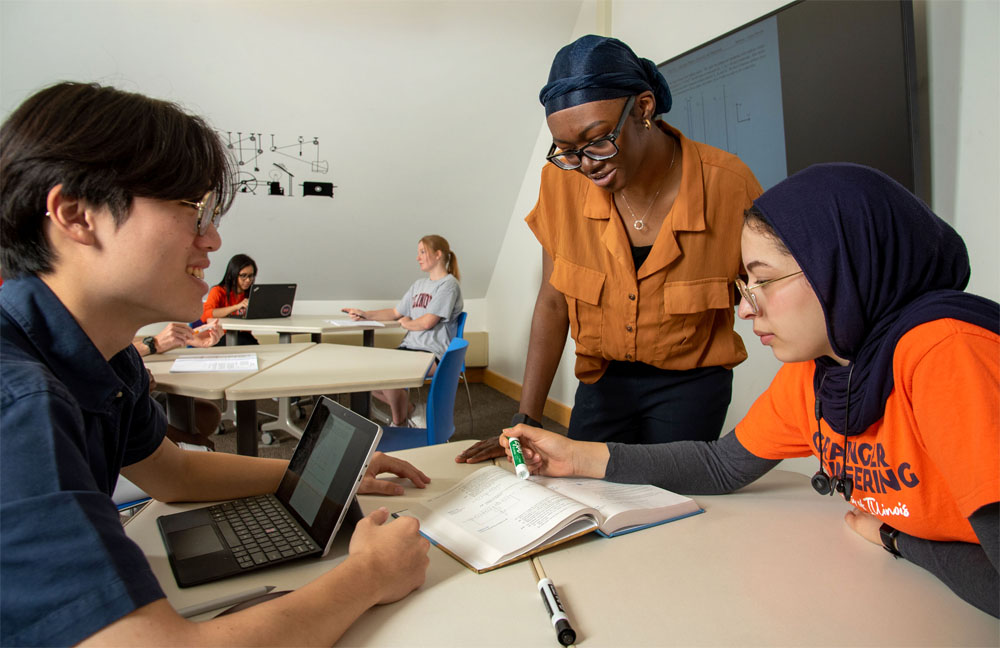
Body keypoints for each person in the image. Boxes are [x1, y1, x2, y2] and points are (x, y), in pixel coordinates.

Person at [0, 81, 431, 647]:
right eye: (194, 210)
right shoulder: (19, 403)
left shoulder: (108, 358)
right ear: (77, 215)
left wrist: (320, 479)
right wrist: (370, 575)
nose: (213, 238)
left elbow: (174, 474)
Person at [498, 163, 999, 617]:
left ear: (841, 268)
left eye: (763, 282)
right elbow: (723, 463)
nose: (746, 310)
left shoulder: (946, 351)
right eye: (743, 288)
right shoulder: (822, 368)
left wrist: (895, 538)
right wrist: (575, 458)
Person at [457, 35, 761, 464]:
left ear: (643, 108)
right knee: (584, 496)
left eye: (597, 140)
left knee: (669, 505)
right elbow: (553, 302)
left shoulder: (729, 186)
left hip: (692, 385)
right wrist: (527, 417)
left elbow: (775, 296)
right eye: (568, 152)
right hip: (602, 380)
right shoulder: (561, 185)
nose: (587, 165)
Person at [343, 235, 463, 427]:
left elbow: (428, 322)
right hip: (409, 349)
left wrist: (405, 323)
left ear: (438, 254)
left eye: (422, 252)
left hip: (433, 353)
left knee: (390, 374)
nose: (418, 258)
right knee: (362, 374)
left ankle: (399, 424)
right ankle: (410, 411)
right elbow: (394, 312)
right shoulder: (418, 285)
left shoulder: (449, 285)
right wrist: (366, 314)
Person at [202, 253, 258, 345]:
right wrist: (236, 307)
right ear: (233, 275)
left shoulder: (251, 293)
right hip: (219, 337)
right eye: (243, 276)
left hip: (243, 336)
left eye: (251, 276)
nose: (248, 280)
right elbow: (207, 314)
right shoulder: (218, 291)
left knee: (252, 345)